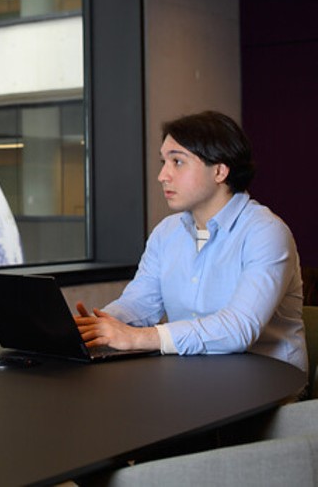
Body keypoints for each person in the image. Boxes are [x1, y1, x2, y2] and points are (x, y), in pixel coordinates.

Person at [75, 110, 307, 372]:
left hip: (269, 381)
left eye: (178, 162)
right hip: (195, 378)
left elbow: (239, 328)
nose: (163, 175)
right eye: (163, 162)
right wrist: (97, 327)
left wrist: (139, 337)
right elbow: (140, 304)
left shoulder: (266, 232)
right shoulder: (166, 232)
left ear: (219, 171)